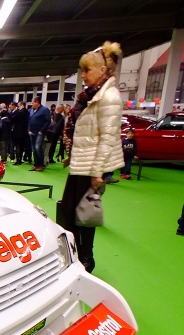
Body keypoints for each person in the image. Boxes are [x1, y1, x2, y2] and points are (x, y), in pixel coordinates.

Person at [57, 41, 125, 273]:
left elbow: (108, 137)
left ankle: (86, 259)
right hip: (80, 162)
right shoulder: (88, 96)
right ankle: (76, 255)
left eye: (87, 70)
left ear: (103, 70)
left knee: (85, 215)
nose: (83, 75)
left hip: (92, 166)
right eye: (82, 70)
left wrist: (98, 172)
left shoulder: (109, 97)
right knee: (70, 212)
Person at [28, 96, 51, 171]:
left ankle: (41, 165)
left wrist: (42, 131)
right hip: (32, 132)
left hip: (40, 132)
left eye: (33, 102)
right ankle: (36, 164)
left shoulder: (45, 110)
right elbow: (29, 121)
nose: (32, 104)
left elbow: (48, 121)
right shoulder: (31, 110)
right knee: (34, 149)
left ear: (37, 102)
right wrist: (29, 130)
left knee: (38, 148)